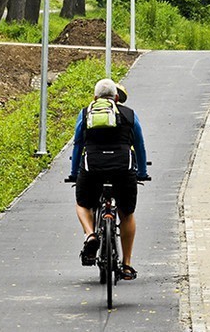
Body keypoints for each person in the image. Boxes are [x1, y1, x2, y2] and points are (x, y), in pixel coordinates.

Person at [68, 78, 149, 281]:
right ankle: (127, 265)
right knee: (127, 214)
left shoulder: (86, 113)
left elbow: (78, 144)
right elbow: (139, 144)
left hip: (92, 167)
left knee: (82, 204)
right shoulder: (130, 114)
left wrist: (74, 173)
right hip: (123, 168)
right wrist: (141, 172)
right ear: (116, 98)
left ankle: (90, 235)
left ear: (95, 97)